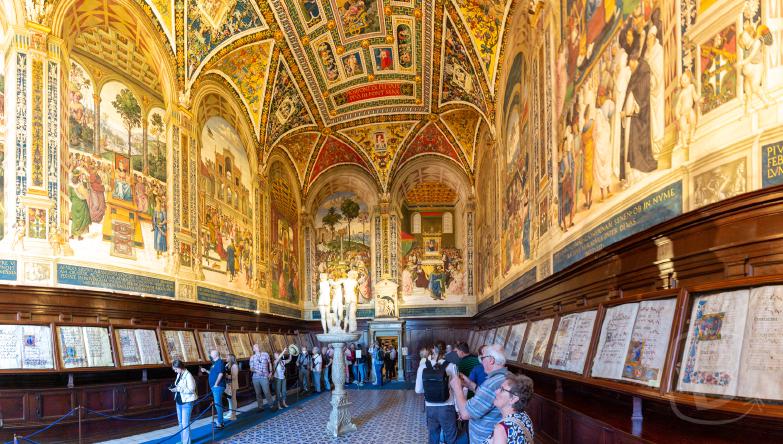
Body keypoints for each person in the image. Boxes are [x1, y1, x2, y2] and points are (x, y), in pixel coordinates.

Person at [450, 344, 510, 444]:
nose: (481, 361)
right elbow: (488, 399)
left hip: (484, 439)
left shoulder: (492, 383)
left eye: (482, 358)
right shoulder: (506, 376)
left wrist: (457, 388)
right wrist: (470, 385)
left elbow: (465, 413)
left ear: (491, 360)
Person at [415, 346, 459, 444]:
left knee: (433, 435)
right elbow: (456, 389)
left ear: (430, 354)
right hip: (447, 406)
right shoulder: (452, 366)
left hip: (430, 407)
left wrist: (430, 389)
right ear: (444, 353)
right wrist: (458, 410)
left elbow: (418, 390)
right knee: (451, 436)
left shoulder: (423, 367)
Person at [483, 374, 535, 444]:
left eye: (502, 389)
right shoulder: (525, 417)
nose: (496, 392)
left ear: (513, 399)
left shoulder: (501, 429)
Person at [170, 359, 197, 444]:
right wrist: (174, 388)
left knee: (185, 424)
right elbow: (178, 385)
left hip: (187, 402)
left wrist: (179, 389)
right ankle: (183, 440)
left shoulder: (188, 375)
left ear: (180, 367)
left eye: (175, 369)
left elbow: (192, 389)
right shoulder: (179, 374)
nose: (175, 371)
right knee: (181, 423)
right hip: (179, 401)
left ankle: (187, 442)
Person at [199, 350, 226, 429]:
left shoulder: (220, 362)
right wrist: (206, 370)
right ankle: (220, 420)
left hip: (218, 386)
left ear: (215, 354)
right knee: (217, 404)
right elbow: (212, 373)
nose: (210, 354)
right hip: (215, 387)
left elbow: (221, 374)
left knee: (218, 404)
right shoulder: (214, 363)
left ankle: (221, 423)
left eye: (211, 353)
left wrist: (216, 384)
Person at [250, 344, 274, 411]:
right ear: (254, 349)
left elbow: (270, 363)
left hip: (264, 376)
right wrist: (256, 371)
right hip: (255, 377)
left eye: (258, 346)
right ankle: (260, 407)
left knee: (267, 392)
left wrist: (271, 372)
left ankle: (271, 405)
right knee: (258, 393)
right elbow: (251, 368)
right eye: (255, 347)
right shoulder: (252, 357)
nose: (257, 347)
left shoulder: (265, 354)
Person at [225, 354, 239, 420]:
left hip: (233, 384)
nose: (226, 358)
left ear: (231, 358)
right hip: (228, 384)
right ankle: (230, 412)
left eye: (227, 357)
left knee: (233, 399)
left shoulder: (234, 366)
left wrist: (226, 376)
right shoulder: (227, 364)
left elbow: (234, 376)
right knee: (229, 399)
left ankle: (234, 415)